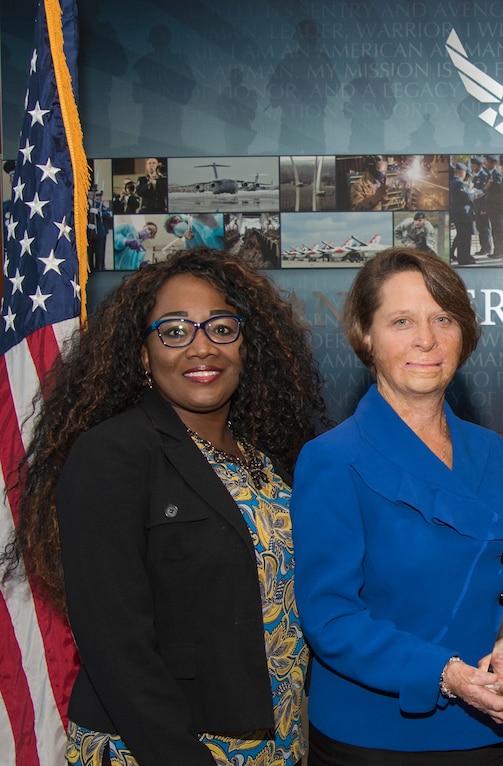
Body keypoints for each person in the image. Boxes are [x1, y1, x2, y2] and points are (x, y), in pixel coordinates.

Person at [2, 248, 328, 764]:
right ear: (142, 355)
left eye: (222, 328)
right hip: (163, 747)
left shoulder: (270, 465)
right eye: (175, 331)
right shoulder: (112, 453)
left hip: (277, 742)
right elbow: (116, 648)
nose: (202, 348)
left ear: (247, 346)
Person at [291, 248, 503, 764]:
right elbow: (331, 618)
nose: (426, 339)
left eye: (442, 318)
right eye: (402, 321)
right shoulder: (332, 459)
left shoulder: (491, 448)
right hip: (384, 738)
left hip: (496, 727)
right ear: (365, 335)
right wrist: (447, 674)